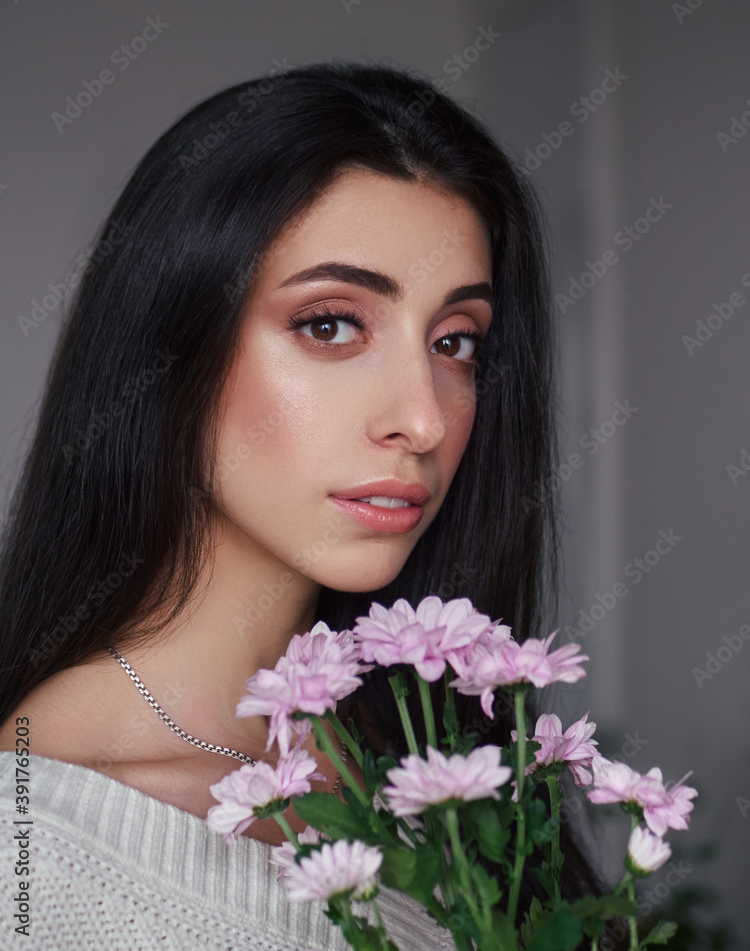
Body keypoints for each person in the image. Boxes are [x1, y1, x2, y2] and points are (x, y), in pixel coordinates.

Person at [0, 60, 599, 949]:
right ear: (169, 348)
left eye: (455, 341)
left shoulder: (451, 773)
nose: (424, 419)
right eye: (330, 323)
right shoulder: (33, 844)